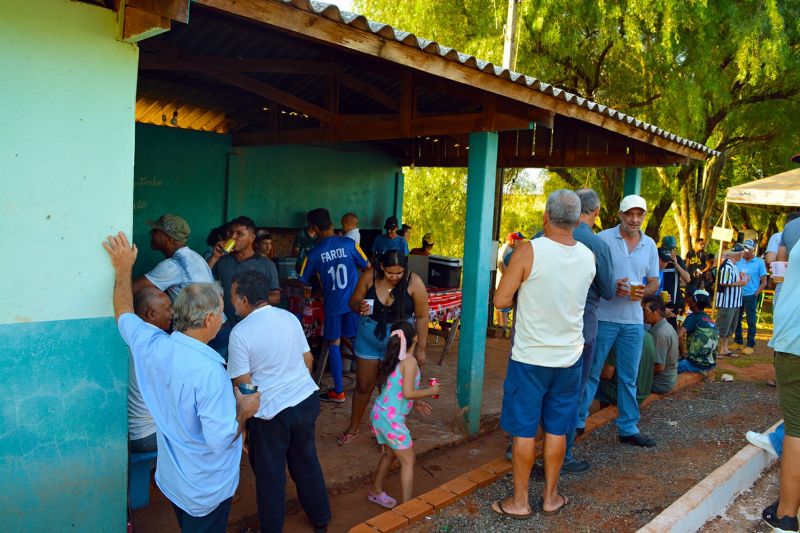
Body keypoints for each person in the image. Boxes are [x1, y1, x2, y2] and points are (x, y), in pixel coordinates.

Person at [103, 232, 260, 533]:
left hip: (174, 481)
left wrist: (123, 269)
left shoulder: (152, 344)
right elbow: (220, 440)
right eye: (220, 313)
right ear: (209, 319)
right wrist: (244, 410)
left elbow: (123, 312)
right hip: (205, 489)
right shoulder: (210, 372)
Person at [491, 190, 595, 519]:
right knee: (556, 429)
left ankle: (520, 502)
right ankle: (551, 497)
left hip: (529, 359)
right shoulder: (587, 256)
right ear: (578, 220)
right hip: (568, 359)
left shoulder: (528, 251)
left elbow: (501, 301)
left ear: (546, 217)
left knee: (523, 431)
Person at [226, 271, 330, 533]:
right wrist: (291, 386)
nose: (231, 302)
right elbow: (307, 360)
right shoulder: (288, 317)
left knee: (270, 476)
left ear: (245, 299)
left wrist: (245, 425)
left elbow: (244, 386)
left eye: (233, 297)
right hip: (305, 401)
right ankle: (321, 518)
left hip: (271, 415)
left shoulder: (240, 332)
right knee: (306, 461)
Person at [576, 194, 660, 448]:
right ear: (620, 215)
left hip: (633, 322)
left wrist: (644, 291)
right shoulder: (602, 240)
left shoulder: (650, 245)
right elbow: (586, 277)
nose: (634, 219)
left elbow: (654, 281)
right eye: (630, 214)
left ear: (643, 216)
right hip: (603, 317)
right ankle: (578, 421)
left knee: (629, 376)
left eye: (639, 215)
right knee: (591, 373)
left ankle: (628, 427)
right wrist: (611, 286)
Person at [337, 251, 429, 445]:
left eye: (399, 273)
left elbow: (422, 316)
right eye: (390, 273)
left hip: (397, 344)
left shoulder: (414, 282)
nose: (394, 277)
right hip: (368, 339)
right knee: (363, 385)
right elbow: (352, 301)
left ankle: (386, 433)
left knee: (389, 388)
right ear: (381, 268)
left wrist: (421, 347)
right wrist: (358, 306)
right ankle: (354, 427)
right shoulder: (369, 277)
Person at [556, 188, 615, 475]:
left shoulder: (542, 236)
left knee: (538, 388)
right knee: (572, 393)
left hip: (545, 325)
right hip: (582, 328)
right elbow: (609, 289)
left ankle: (518, 447)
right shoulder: (597, 244)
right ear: (597, 211)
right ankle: (563, 455)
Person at [299, 208, 370, 403]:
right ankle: (371, 382)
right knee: (358, 341)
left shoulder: (313, 254)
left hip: (333, 306)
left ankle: (339, 391)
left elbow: (302, 279)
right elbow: (367, 265)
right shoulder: (349, 244)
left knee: (335, 345)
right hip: (354, 302)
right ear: (331, 224)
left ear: (314, 228)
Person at [368, 321, 439, 508]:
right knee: (408, 461)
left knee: (390, 454)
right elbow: (407, 392)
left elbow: (397, 389)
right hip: (391, 420)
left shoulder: (396, 359)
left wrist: (415, 401)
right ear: (414, 338)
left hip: (380, 414)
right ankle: (407, 509)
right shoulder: (410, 361)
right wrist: (429, 392)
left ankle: (375, 490)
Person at [760, 219, 800, 532]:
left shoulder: (794, 228)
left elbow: (778, 270)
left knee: (797, 430)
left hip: (796, 344)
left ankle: (786, 514)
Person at [208, 216, 280, 325]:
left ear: (251, 237)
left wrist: (254, 297)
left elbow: (276, 297)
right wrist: (214, 257)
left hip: (253, 327)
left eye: (239, 234)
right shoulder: (221, 260)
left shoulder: (267, 265)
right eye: (231, 233)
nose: (233, 237)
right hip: (223, 327)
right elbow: (200, 280)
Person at [128, 287, 172, 453]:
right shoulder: (160, 345)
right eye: (168, 309)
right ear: (150, 315)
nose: (172, 314)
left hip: (132, 433)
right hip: (148, 434)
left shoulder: (132, 335)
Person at [132, 214, 215, 300]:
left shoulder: (172, 266)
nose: (151, 234)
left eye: (155, 231)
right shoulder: (196, 257)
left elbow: (130, 291)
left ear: (170, 239)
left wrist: (126, 264)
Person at [595, 331, 656, 406]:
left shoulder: (618, 339)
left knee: (590, 382)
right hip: (643, 392)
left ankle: (583, 413)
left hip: (623, 395)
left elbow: (607, 374)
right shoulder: (648, 336)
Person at [733, 239, 767, 355]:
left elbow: (764, 281)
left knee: (751, 321)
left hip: (751, 296)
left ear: (753, 250)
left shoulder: (759, 263)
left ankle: (750, 344)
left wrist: (756, 294)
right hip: (738, 295)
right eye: (744, 248)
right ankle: (738, 341)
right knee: (736, 319)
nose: (745, 251)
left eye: (748, 249)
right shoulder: (739, 261)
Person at [641, 295, 679, 394]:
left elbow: (659, 367)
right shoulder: (666, 326)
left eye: (645, 310)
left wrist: (638, 375)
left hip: (660, 383)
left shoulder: (659, 334)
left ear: (656, 311)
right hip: (667, 378)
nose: (642, 314)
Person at [715, 244, 747, 357]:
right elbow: (724, 282)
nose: (744, 254)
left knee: (730, 326)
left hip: (734, 302)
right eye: (743, 253)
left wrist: (739, 276)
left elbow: (730, 279)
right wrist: (741, 283)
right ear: (738, 254)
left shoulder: (734, 265)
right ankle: (713, 349)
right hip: (727, 302)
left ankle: (724, 348)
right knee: (721, 325)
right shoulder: (727, 266)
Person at [677, 290, 719, 374]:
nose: (688, 300)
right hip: (710, 364)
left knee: (667, 369)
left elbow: (679, 335)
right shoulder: (710, 320)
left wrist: (683, 352)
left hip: (695, 364)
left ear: (694, 302)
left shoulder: (692, 317)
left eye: (691, 298)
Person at [766, 212, 800, 302]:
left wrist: (773, 281)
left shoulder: (781, 234)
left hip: (785, 284)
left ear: (786, 223)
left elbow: (771, 260)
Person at [494, 231, 525, 328]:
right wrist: (511, 276)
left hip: (504, 281)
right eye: (519, 241)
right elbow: (500, 264)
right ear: (512, 240)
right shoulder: (506, 249)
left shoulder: (508, 249)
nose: (521, 243)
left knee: (503, 308)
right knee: (504, 307)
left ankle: (502, 326)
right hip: (504, 281)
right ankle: (504, 327)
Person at [657, 245, 691, 324]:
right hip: (657, 303)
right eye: (670, 249)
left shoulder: (676, 260)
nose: (665, 264)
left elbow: (688, 279)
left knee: (671, 327)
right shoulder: (653, 267)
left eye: (674, 249)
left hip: (672, 303)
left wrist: (676, 264)